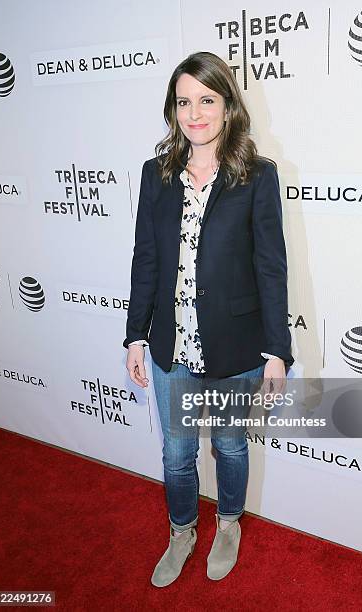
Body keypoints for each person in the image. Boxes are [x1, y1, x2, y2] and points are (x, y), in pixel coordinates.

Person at [123, 51, 294, 587]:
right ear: (172, 110)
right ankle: (181, 532)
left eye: (206, 100)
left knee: (229, 445)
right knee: (176, 453)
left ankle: (227, 525)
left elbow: (271, 267)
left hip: (235, 344)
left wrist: (277, 351)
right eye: (183, 101)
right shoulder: (158, 174)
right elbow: (146, 257)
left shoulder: (256, 175)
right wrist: (134, 335)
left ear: (227, 105)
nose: (194, 113)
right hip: (171, 345)